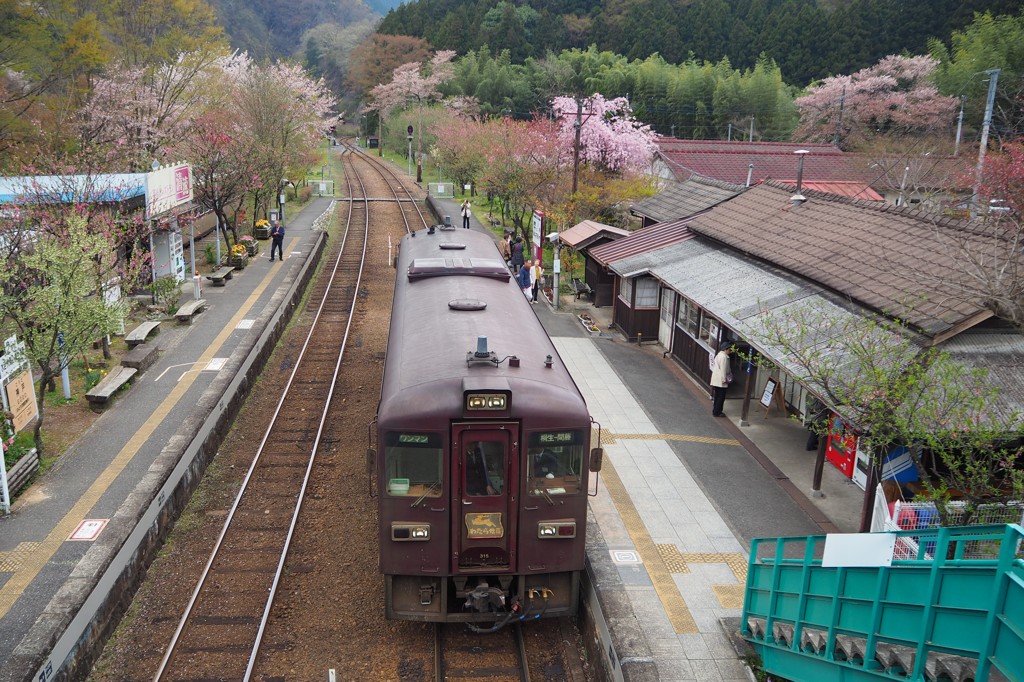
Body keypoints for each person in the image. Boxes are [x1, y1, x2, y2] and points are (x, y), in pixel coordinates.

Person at [710, 344, 732, 417]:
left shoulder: (718, 355)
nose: (730, 351)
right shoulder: (724, 357)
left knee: (717, 395)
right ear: (725, 349)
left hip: (716, 378)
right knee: (721, 397)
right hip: (720, 380)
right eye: (729, 349)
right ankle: (717, 412)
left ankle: (715, 410)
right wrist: (723, 379)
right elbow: (723, 369)